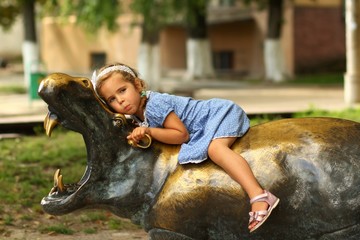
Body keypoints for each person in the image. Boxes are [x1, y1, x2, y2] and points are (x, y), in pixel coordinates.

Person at [91, 62, 279, 232]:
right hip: (203, 127)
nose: (120, 100)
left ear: (138, 85)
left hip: (216, 115)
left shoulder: (155, 104)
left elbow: (181, 135)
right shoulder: (136, 116)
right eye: (112, 99)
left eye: (122, 90)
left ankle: (259, 196)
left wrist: (149, 131)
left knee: (216, 150)